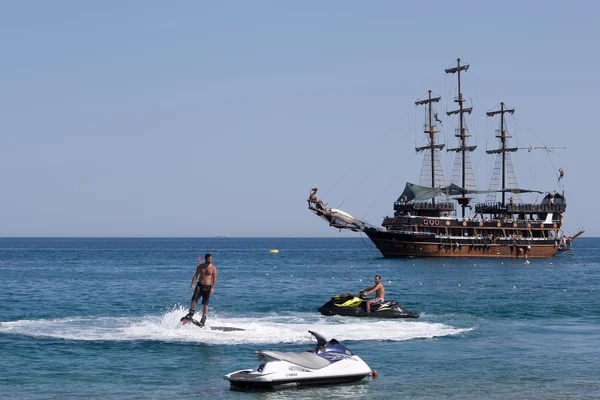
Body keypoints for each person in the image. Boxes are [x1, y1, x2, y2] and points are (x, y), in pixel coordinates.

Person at [185, 253, 217, 326]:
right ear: (205, 259)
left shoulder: (213, 268)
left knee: (205, 303)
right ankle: (191, 313)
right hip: (199, 285)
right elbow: (196, 275)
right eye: (209, 259)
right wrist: (192, 284)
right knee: (194, 299)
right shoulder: (200, 266)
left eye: (211, 259)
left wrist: (212, 287)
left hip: (208, 287)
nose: (210, 260)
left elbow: (214, 278)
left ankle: (203, 318)